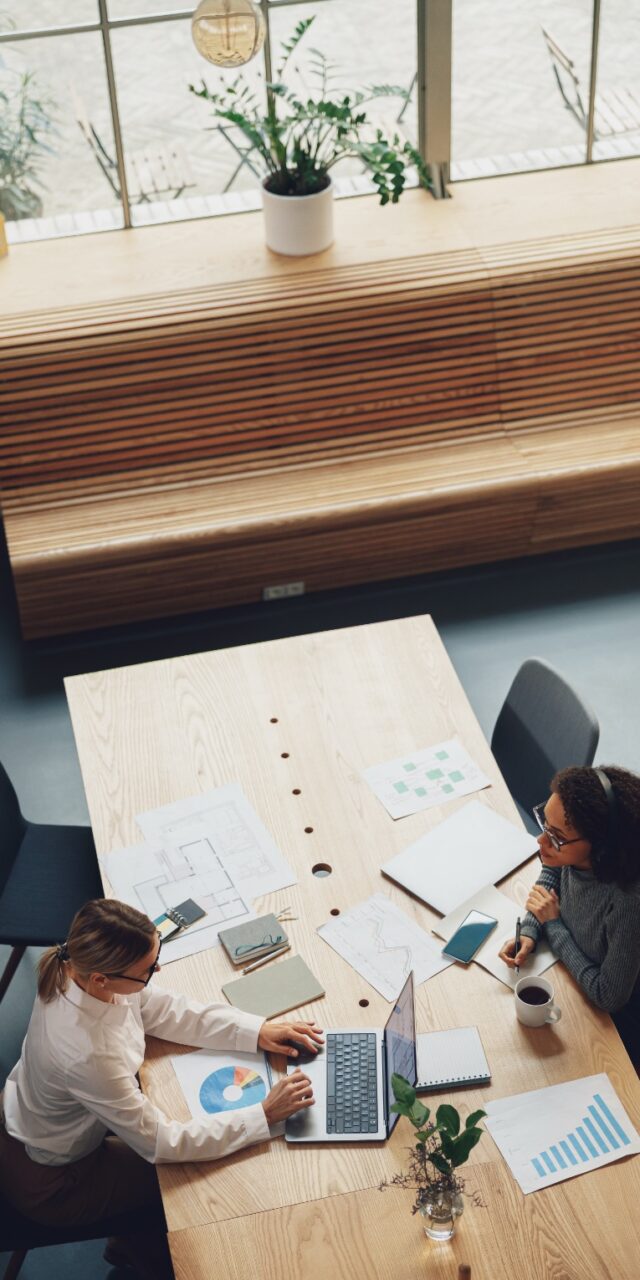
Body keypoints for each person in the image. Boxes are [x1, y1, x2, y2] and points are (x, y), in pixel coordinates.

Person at [0, 898, 322, 1278]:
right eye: (147, 970)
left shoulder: (75, 972)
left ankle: (130, 1238)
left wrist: (256, 1030)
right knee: (191, 1186)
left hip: (34, 1118)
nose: (158, 969)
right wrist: (262, 1114)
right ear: (102, 978)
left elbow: (162, 1009)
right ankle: (141, 1253)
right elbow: (163, 1144)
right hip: (58, 1181)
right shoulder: (88, 1054)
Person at [499, 765, 640, 1066]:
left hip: (617, 1026)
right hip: (575, 982)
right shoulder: (571, 855)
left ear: (601, 847)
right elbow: (553, 867)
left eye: (556, 837)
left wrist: (553, 925)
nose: (540, 842)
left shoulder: (629, 903)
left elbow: (608, 995)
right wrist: (529, 930)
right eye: (544, 825)